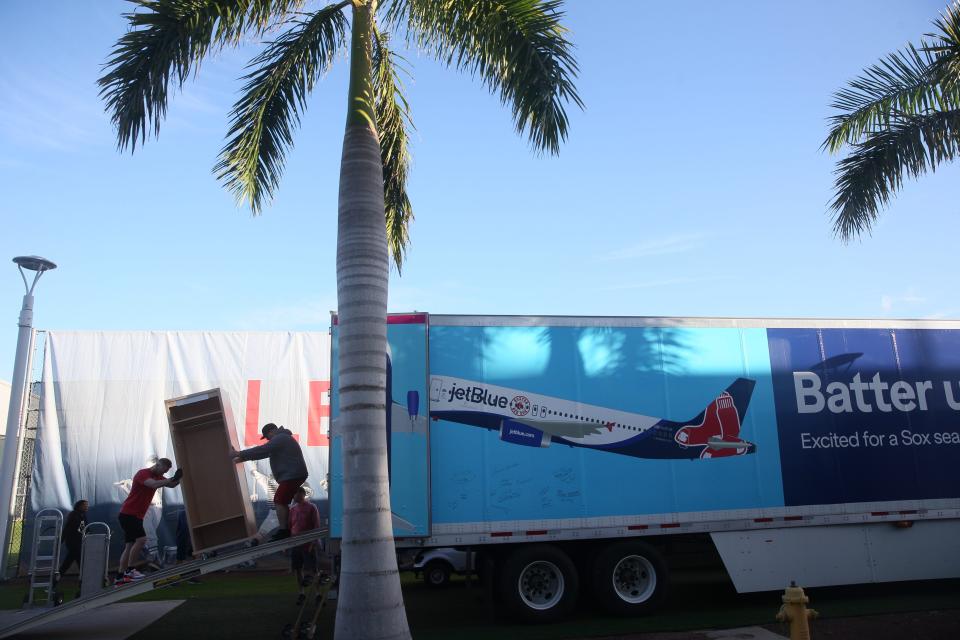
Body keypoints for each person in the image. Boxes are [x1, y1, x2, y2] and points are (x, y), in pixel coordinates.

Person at [231, 423, 307, 541]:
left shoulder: (280, 438)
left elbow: (263, 449)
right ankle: (285, 529)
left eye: (267, 437)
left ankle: (284, 530)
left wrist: (239, 453)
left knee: (279, 500)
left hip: (292, 475)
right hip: (294, 474)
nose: (267, 439)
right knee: (282, 501)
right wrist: (243, 458)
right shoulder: (283, 438)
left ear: (271, 432)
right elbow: (264, 453)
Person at [115, 458, 181, 585]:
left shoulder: (159, 476)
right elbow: (153, 484)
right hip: (129, 514)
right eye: (164, 470)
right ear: (157, 465)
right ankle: (130, 571)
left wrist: (178, 478)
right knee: (141, 540)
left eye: (166, 471)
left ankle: (120, 576)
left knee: (129, 546)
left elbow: (172, 485)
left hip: (134, 515)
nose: (164, 473)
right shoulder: (143, 474)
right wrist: (170, 479)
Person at [289, 487, 321, 605]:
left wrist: (313, 543)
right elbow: (290, 527)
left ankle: (318, 594)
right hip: (296, 544)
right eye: (293, 495)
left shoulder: (312, 507)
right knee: (298, 569)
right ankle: (301, 593)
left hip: (308, 544)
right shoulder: (292, 510)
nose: (293, 497)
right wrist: (288, 544)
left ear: (302, 494)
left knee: (313, 570)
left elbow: (316, 526)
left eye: (295, 494)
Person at [59, 500, 88, 576]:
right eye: (84, 505)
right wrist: (61, 540)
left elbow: (83, 529)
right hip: (72, 542)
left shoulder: (83, 516)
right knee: (77, 561)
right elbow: (69, 529)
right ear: (79, 506)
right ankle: (84, 580)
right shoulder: (74, 515)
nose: (86, 507)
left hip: (78, 542)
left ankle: (55, 580)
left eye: (86, 505)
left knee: (69, 562)